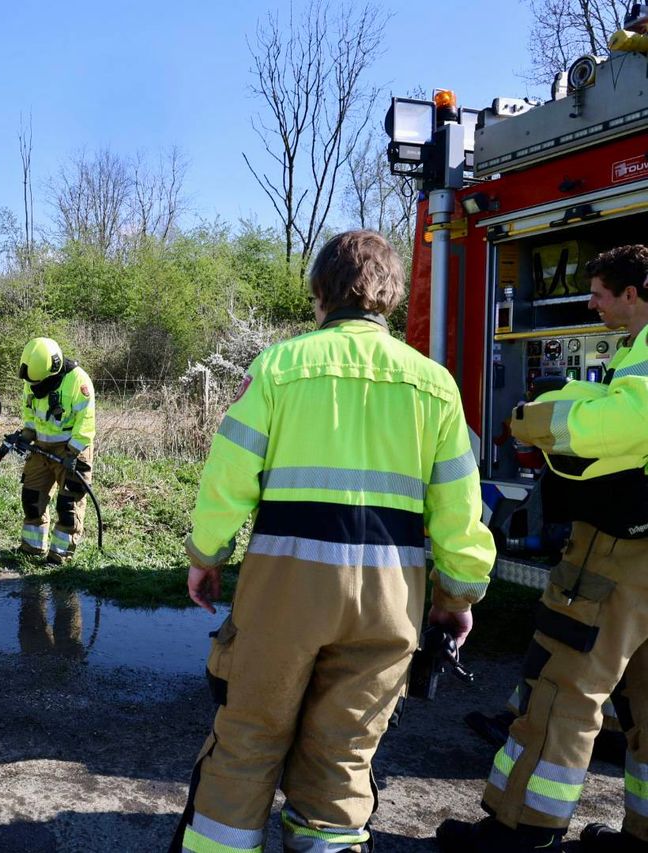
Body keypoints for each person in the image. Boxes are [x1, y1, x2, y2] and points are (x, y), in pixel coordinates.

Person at [173, 230, 495, 853]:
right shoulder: (435, 385)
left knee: (250, 737)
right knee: (345, 754)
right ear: (391, 296)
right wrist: (457, 595)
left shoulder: (278, 368)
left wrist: (206, 556)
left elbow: (228, 478)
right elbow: (459, 510)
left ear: (320, 293)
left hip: (284, 594)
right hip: (390, 602)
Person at [438, 244, 648, 853]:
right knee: (644, 698)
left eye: (601, 294)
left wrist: (535, 418)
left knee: (562, 686)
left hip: (615, 550)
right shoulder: (631, 351)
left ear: (632, 293)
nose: (592, 305)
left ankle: (522, 830)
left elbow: (622, 424)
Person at [15, 338, 96, 563]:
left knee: (68, 505)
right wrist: (27, 434)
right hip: (41, 447)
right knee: (32, 498)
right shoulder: (32, 378)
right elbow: (29, 411)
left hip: (72, 448)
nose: (35, 386)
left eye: (40, 381)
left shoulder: (79, 382)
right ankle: (32, 548)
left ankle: (60, 554)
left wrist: (73, 452)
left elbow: (86, 424)